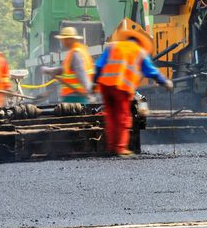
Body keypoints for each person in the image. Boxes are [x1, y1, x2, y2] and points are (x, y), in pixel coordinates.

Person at [92, 27, 172, 156]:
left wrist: (94, 81)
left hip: (105, 86)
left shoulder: (112, 47)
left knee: (111, 117)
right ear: (139, 43)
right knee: (123, 117)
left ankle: (111, 147)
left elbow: (99, 66)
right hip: (121, 89)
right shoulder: (139, 52)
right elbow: (151, 71)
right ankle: (121, 148)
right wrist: (165, 82)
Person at [41, 26, 94, 104]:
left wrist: (88, 90)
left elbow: (81, 72)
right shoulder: (78, 51)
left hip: (75, 98)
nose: (62, 41)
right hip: (76, 96)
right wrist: (50, 70)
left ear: (69, 40)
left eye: (63, 39)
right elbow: (65, 69)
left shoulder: (75, 53)